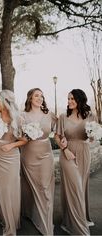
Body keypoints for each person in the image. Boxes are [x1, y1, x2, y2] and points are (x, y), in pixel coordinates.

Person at [55, 89, 96, 235]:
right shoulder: (63, 116)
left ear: (80, 100)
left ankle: (75, 219)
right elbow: (57, 136)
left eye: (73, 99)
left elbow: (92, 137)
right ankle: (78, 227)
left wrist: (93, 136)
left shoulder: (90, 116)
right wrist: (64, 149)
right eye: (68, 99)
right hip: (67, 153)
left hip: (84, 153)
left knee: (81, 185)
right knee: (74, 187)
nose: (70, 101)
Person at [20, 88, 56, 235]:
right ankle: (30, 213)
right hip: (29, 155)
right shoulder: (22, 116)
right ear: (30, 98)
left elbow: (60, 132)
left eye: (41, 96)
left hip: (46, 154)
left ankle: (46, 225)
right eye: (36, 95)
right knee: (30, 188)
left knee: (45, 188)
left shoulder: (50, 115)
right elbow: (18, 136)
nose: (39, 98)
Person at [0, 90, 23, 236]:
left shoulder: (18, 119)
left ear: (5, 102)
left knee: (11, 190)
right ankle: (4, 217)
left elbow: (25, 140)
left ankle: (11, 226)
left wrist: (11, 145)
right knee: (2, 190)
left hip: (12, 158)